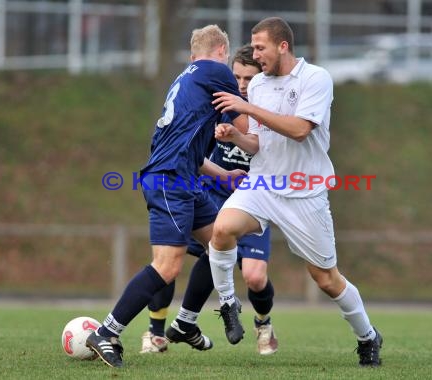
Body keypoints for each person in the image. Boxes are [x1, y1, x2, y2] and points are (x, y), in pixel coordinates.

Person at [209, 17, 383, 367]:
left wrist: (246, 108)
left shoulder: (315, 78)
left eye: (260, 47)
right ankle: (228, 303)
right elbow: (261, 142)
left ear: (282, 46)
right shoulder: (257, 84)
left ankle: (367, 336)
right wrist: (237, 137)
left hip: (304, 192)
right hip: (263, 183)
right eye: (254, 47)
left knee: (326, 279)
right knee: (222, 228)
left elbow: (301, 129)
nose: (255, 54)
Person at [85, 24, 247, 368]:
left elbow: (191, 152)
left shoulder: (187, 79)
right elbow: (247, 125)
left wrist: (225, 174)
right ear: (222, 52)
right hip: (170, 181)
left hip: (181, 177)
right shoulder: (217, 72)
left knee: (221, 242)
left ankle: (186, 322)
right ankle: (107, 332)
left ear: (193, 55)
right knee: (167, 265)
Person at [140, 45, 278, 356]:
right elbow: (192, 146)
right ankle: (157, 331)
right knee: (169, 257)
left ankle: (262, 321)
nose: (242, 84)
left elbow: (267, 145)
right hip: (211, 190)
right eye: (237, 77)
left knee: (255, 276)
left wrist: (238, 133)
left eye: (249, 78)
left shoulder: (266, 109)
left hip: (252, 197)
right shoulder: (219, 97)